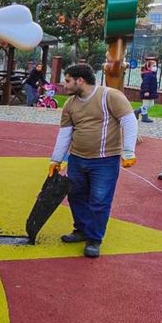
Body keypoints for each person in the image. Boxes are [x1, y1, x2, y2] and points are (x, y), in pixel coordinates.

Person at [48, 64, 137, 258]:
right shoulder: (70, 104)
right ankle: (81, 230)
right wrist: (56, 160)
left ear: (80, 80)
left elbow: (129, 120)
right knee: (76, 196)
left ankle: (94, 239)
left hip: (104, 161)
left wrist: (128, 151)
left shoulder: (109, 96)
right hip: (77, 159)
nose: (65, 84)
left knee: (99, 201)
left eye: (68, 80)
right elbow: (65, 134)